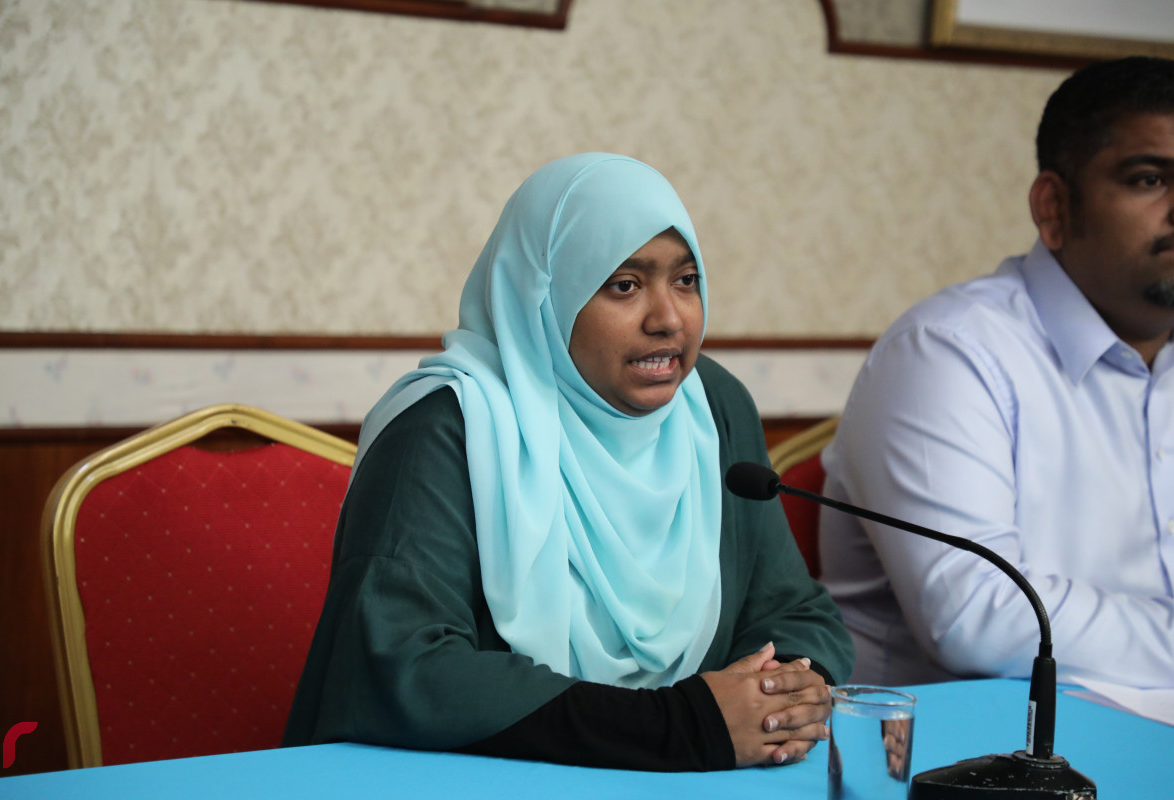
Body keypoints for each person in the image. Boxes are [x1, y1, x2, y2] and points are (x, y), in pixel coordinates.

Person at [283, 153, 854, 770]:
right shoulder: (445, 428)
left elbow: (794, 611)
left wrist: (782, 696)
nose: (668, 318)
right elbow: (406, 665)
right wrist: (676, 725)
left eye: (686, 280)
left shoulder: (712, 407)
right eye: (624, 285)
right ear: (542, 297)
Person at [819, 56, 1174, 689]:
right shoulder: (945, 352)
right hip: (959, 740)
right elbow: (975, 618)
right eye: (1150, 180)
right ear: (1053, 207)